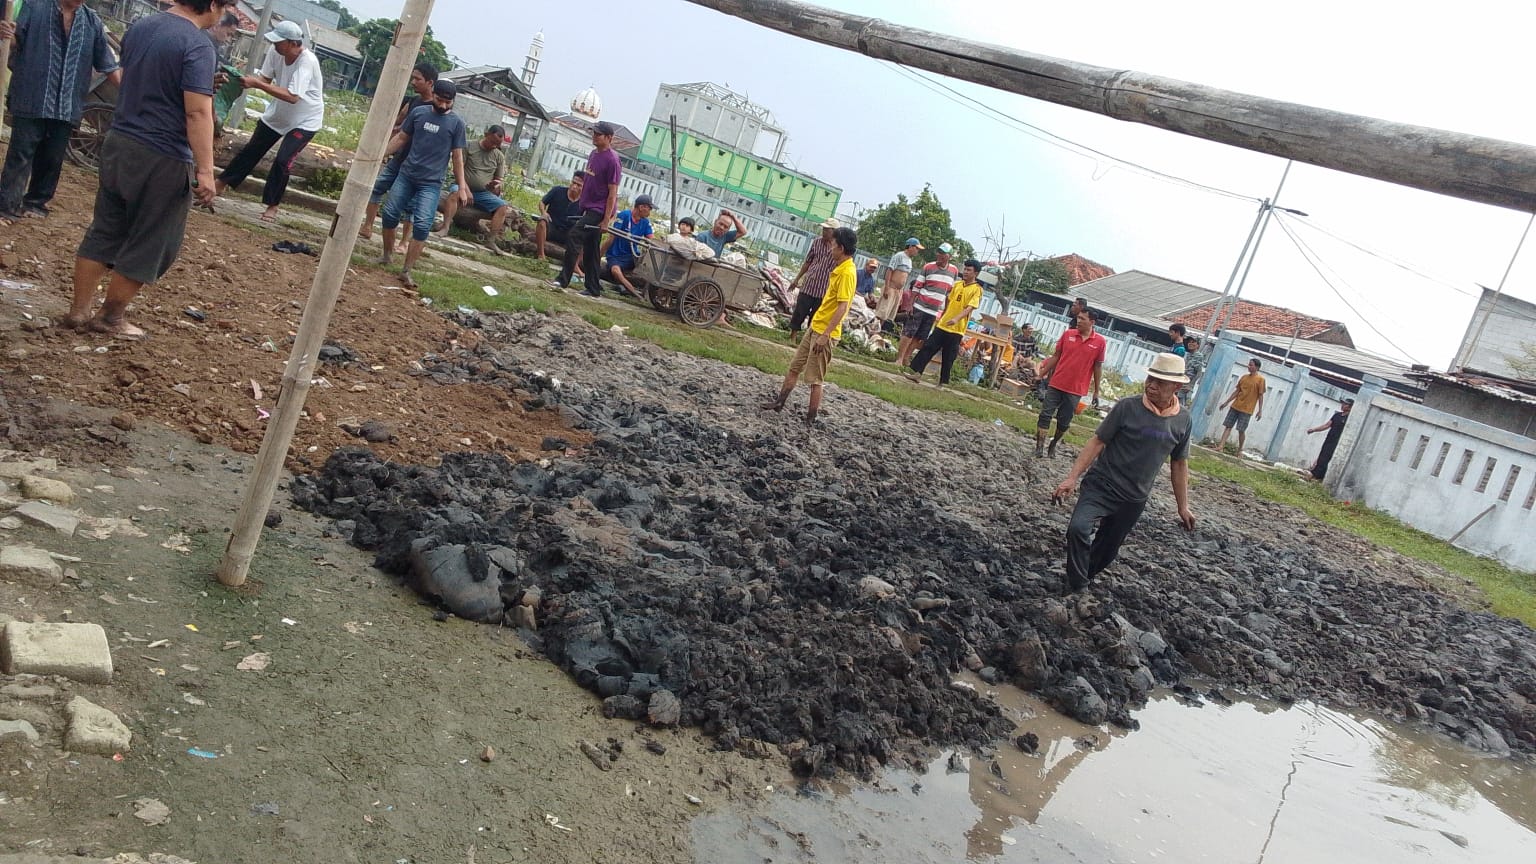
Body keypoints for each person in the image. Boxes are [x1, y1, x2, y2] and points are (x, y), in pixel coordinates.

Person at [66, 0, 227, 338]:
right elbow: (197, 112)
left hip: (120, 141)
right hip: (162, 154)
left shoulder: (142, 27)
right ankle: (110, 317)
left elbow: (135, 78)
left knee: (106, 228)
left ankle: (79, 311)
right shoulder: (198, 45)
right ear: (213, 4)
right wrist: (205, 170)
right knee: (153, 237)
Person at [1051, 353, 1197, 593]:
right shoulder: (1127, 407)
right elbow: (1097, 442)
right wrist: (1072, 477)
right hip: (1102, 485)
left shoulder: (1183, 420)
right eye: (1150, 379)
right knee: (1078, 529)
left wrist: (1183, 507)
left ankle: (1079, 581)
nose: (1151, 385)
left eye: (1160, 382)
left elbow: (1179, 464)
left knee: (1107, 551)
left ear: (1177, 387)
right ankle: (1079, 586)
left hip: (1134, 498)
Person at [0, 0, 121, 222]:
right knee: (21, 154)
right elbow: (17, 40)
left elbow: (107, 64)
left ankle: (36, 203)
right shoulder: (34, 7)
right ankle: (7, 206)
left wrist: (130, 94)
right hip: (32, 96)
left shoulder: (92, 22)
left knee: (52, 158)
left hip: (67, 103)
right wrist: (9, 34)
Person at [214, 20, 324, 222]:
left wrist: (257, 84)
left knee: (283, 160)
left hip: (305, 120)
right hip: (279, 114)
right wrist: (245, 81)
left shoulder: (307, 62)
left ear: (293, 43)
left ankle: (273, 205)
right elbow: (265, 79)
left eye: (279, 42)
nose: (275, 45)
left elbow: (292, 96)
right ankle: (221, 183)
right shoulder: (276, 53)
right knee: (252, 149)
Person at [760, 226, 858, 425]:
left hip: (825, 333)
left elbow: (842, 307)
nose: (830, 248)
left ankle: (810, 418)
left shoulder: (847, 273)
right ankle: (779, 402)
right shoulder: (840, 268)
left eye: (833, 244)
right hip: (816, 326)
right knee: (795, 367)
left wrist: (826, 335)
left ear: (841, 247)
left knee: (815, 379)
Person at [379, 78, 468, 289]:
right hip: (407, 175)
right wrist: (380, 154)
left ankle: (406, 271)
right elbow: (401, 138)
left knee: (422, 225)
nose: (443, 105)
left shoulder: (457, 124)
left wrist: (462, 187)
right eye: (439, 100)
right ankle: (387, 255)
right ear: (433, 94)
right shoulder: (419, 113)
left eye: (448, 102)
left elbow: (457, 157)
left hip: (431, 183)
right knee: (390, 213)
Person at [360, 62, 437, 247]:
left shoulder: (436, 109)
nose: (413, 82)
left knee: (410, 206)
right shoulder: (413, 102)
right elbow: (397, 126)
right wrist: (384, 147)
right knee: (377, 187)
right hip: (400, 157)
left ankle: (403, 243)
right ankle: (368, 226)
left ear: (430, 82)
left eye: (417, 79)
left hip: (417, 165)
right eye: (413, 78)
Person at [552, 121, 621, 292]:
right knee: (591, 247)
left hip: (600, 209)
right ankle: (593, 287)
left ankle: (563, 279)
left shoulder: (612, 160)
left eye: (598, 134)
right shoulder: (593, 154)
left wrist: (606, 220)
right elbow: (590, 183)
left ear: (609, 138)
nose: (594, 137)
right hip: (589, 206)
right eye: (594, 133)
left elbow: (612, 192)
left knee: (574, 235)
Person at [1035, 308, 1106, 458]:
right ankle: (1039, 447)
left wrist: (1096, 391)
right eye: (1078, 318)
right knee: (1045, 414)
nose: (1078, 321)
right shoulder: (1068, 335)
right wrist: (1041, 374)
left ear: (1092, 322)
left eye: (1082, 319)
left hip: (1076, 389)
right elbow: (1055, 356)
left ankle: (1053, 445)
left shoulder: (1100, 342)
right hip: (1057, 383)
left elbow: (1097, 366)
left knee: (1064, 421)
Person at [906, 258, 982, 386]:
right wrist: (944, 315)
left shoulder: (977, 289)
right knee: (928, 347)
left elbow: (970, 307)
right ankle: (917, 373)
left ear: (976, 273)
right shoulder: (957, 284)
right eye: (965, 269)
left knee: (948, 356)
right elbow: (948, 299)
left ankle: (942, 383)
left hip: (957, 328)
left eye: (969, 270)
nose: (965, 272)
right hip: (943, 324)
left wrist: (956, 319)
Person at [438, 124, 511, 251]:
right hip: (462, 185)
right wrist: (465, 189)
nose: (494, 146)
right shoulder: (469, 146)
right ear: (486, 135)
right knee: (454, 194)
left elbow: (499, 180)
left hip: (483, 193)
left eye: (497, 144)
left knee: (502, 206)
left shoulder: (499, 156)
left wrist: (495, 186)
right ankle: (445, 227)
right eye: (492, 142)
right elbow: (458, 169)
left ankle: (491, 240)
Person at [898, 242, 957, 366]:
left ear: (949, 256)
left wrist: (945, 311)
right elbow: (917, 286)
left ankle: (906, 358)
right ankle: (899, 358)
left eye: (943, 253)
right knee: (909, 332)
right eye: (939, 252)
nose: (939, 255)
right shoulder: (928, 267)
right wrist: (910, 304)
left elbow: (949, 293)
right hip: (920, 306)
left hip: (934, 310)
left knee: (920, 336)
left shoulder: (954, 271)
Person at [786, 218, 839, 343]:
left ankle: (808, 339)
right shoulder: (816, 242)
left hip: (825, 288)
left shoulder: (838, 248)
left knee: (816, 315)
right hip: (810, 283)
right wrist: (797, 279)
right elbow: (808, 261)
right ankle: (793, 335)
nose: (824, 232)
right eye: (823, 229)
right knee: (800, 311)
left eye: (827, 230)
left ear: (834, 232)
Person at [595, 194, 655, 299]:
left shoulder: (645, 222)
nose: (650, 212)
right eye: (649, 209)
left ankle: (644, 291)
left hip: (632, 255)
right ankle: (633, 291)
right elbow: (611, 238)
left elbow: (652, 240)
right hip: (616, 255)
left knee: (649, 269)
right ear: (641, 207)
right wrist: (597, 257)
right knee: (615, 270)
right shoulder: (624, 215)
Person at [535, 169, 586, 270]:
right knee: (542, 222)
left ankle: (574, 265)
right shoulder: (557, 191)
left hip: (568, 233)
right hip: (552, 227)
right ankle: (541, 255)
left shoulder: (584, 202)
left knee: (586, 234)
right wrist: (544, 212)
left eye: (579, 185)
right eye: (573, 183)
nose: (574, 187)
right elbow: (542, 203)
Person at [1216, 358, 1267, 453]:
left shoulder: (1261, 380)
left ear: (1257, 367)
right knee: (1228, 426)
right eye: (1249, 364)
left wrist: (1260, 411)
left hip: (1247, 409)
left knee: (1241, 430)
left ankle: (1240, 449)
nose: (1249, 366)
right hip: (1235, 406)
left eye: (1251, 365)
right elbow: (1237, 391)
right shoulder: (1244, 377)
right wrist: (1226, 402)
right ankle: (1221, 446)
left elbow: (1260, 396)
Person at [1303, 398, 1353, 480]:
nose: (1342, 405)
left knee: (1325, 458)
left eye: (1345, 404)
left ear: (1350, 407)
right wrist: (1314, 430)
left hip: (1338, 442)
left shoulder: (1350, 418)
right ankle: (1318, 475)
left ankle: (1316, 475)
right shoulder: (1337, 415)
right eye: (1343, 403)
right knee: (1322, 455)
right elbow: (1326, 425)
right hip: (1329, 439)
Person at [875, 237, 921, 324]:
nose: (917, 251)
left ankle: (879, 329)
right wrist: (887, 288)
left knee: (888, 314)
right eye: (916, 248)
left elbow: (905, 277)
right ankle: (873, 328)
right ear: (910, 246)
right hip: (891, 288)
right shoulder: (899, 256)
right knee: (882, 312)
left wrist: (900, 293)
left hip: (898, 291)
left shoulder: (909, 261)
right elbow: (889, 271)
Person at [1177, 335, 1205, 403]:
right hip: (1180, 383)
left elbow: (1199, 373)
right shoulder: (1187, 354)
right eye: (1189, 342)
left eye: (1193, 342)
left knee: (1182, 404)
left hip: (1187, 387)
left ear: (1197, 345)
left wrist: (1190, 385)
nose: (1190, 344)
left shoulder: (1198, 356)